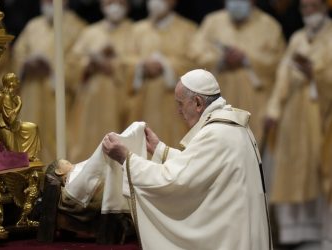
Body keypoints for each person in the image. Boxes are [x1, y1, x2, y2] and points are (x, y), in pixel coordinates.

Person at [102, 69, 272, 250]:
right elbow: (198, 166)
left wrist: (126, 159)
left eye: (180, 104)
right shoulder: (230, 125)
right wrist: (160, 149)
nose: (178, 111)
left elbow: (174, 179)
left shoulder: (216, 134)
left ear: (198, 103)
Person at [265, 0, 332, 249]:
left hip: (323, 115)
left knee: (322, 168)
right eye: (305, 8)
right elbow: (283, 75)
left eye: (314, 7)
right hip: (294, 115)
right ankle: (295, 231)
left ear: (324, 8)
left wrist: (316, 73)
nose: (309, 13)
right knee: (293, 169)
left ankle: (324, 230)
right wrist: (273, 109)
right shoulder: (297, 38)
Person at [188, 0, 286, 147]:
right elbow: (194, 55)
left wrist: (246, 59)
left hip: (257, 106)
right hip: (216, 104)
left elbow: (279, 64)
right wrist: (220, 60)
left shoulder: (269, 26)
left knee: (251, 157)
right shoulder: (212, 22)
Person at [12, 0, 86, 164]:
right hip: (31, 90)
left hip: (59, 95)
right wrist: (26, 64)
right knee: (29, 135)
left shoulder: (78, 27)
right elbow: (18, 54)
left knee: (58, 140)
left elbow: (79, 62)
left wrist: (52, 70)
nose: (48, 3)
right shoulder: (33, 26)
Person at [66, 0, 134, 163]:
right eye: (110, 2)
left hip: (120, 102)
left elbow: (138, 64)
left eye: (120, 2)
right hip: (90, 102)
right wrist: (89, 63)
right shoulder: (90, 32)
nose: (115, 6)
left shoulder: (135, 31)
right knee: (87, 145)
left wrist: (114, 65)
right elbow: (72, 64)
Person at [127, 0, 197, 148]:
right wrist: (141, 65)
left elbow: (194, 62)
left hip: (174, 107)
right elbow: (123, 61)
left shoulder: (188, 30)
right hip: (142, 105)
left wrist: (166, 65)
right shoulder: (136, 30)